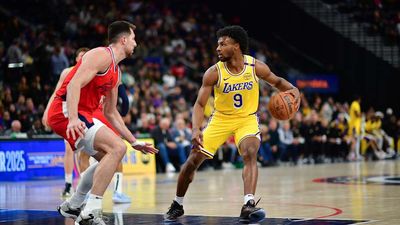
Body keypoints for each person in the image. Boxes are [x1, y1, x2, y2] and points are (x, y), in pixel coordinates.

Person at [164, 25, 300, 223]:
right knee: (192, 161)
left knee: (250, 152)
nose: (218, 48)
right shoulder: (213, 72)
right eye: (217, 44)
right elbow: (200, 104)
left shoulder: (255, 67)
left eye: (223, 44)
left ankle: (249, 204)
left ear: (236, 46)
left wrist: (295, 91)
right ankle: (177, 204)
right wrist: (195, 129)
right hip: (221, 119)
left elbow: (278, 82)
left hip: (247, 119)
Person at [47, 21, 158, 225]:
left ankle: (73, 205)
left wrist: (134, 141)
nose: (136, 42)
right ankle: (91, 210)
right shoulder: (101, 54)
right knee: (116, 147)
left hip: (83, 115)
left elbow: (111, 112)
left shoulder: (116, 71)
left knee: (110, 157)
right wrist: (72, 118)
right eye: (133, 38)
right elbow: (73, 85)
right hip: (65, 111)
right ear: (123, 39)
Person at [43, 47, 89, 198]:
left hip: (83, 112)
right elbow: (56, 94)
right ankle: (68, 184)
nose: (82, 59)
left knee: (84, 151)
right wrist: (47, 112)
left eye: (85, 56)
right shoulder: (67, 72)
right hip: (67, 113)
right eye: (80, 56)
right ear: (76, 59)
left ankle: (83, 186)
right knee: (69, 148)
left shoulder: (91, 72)